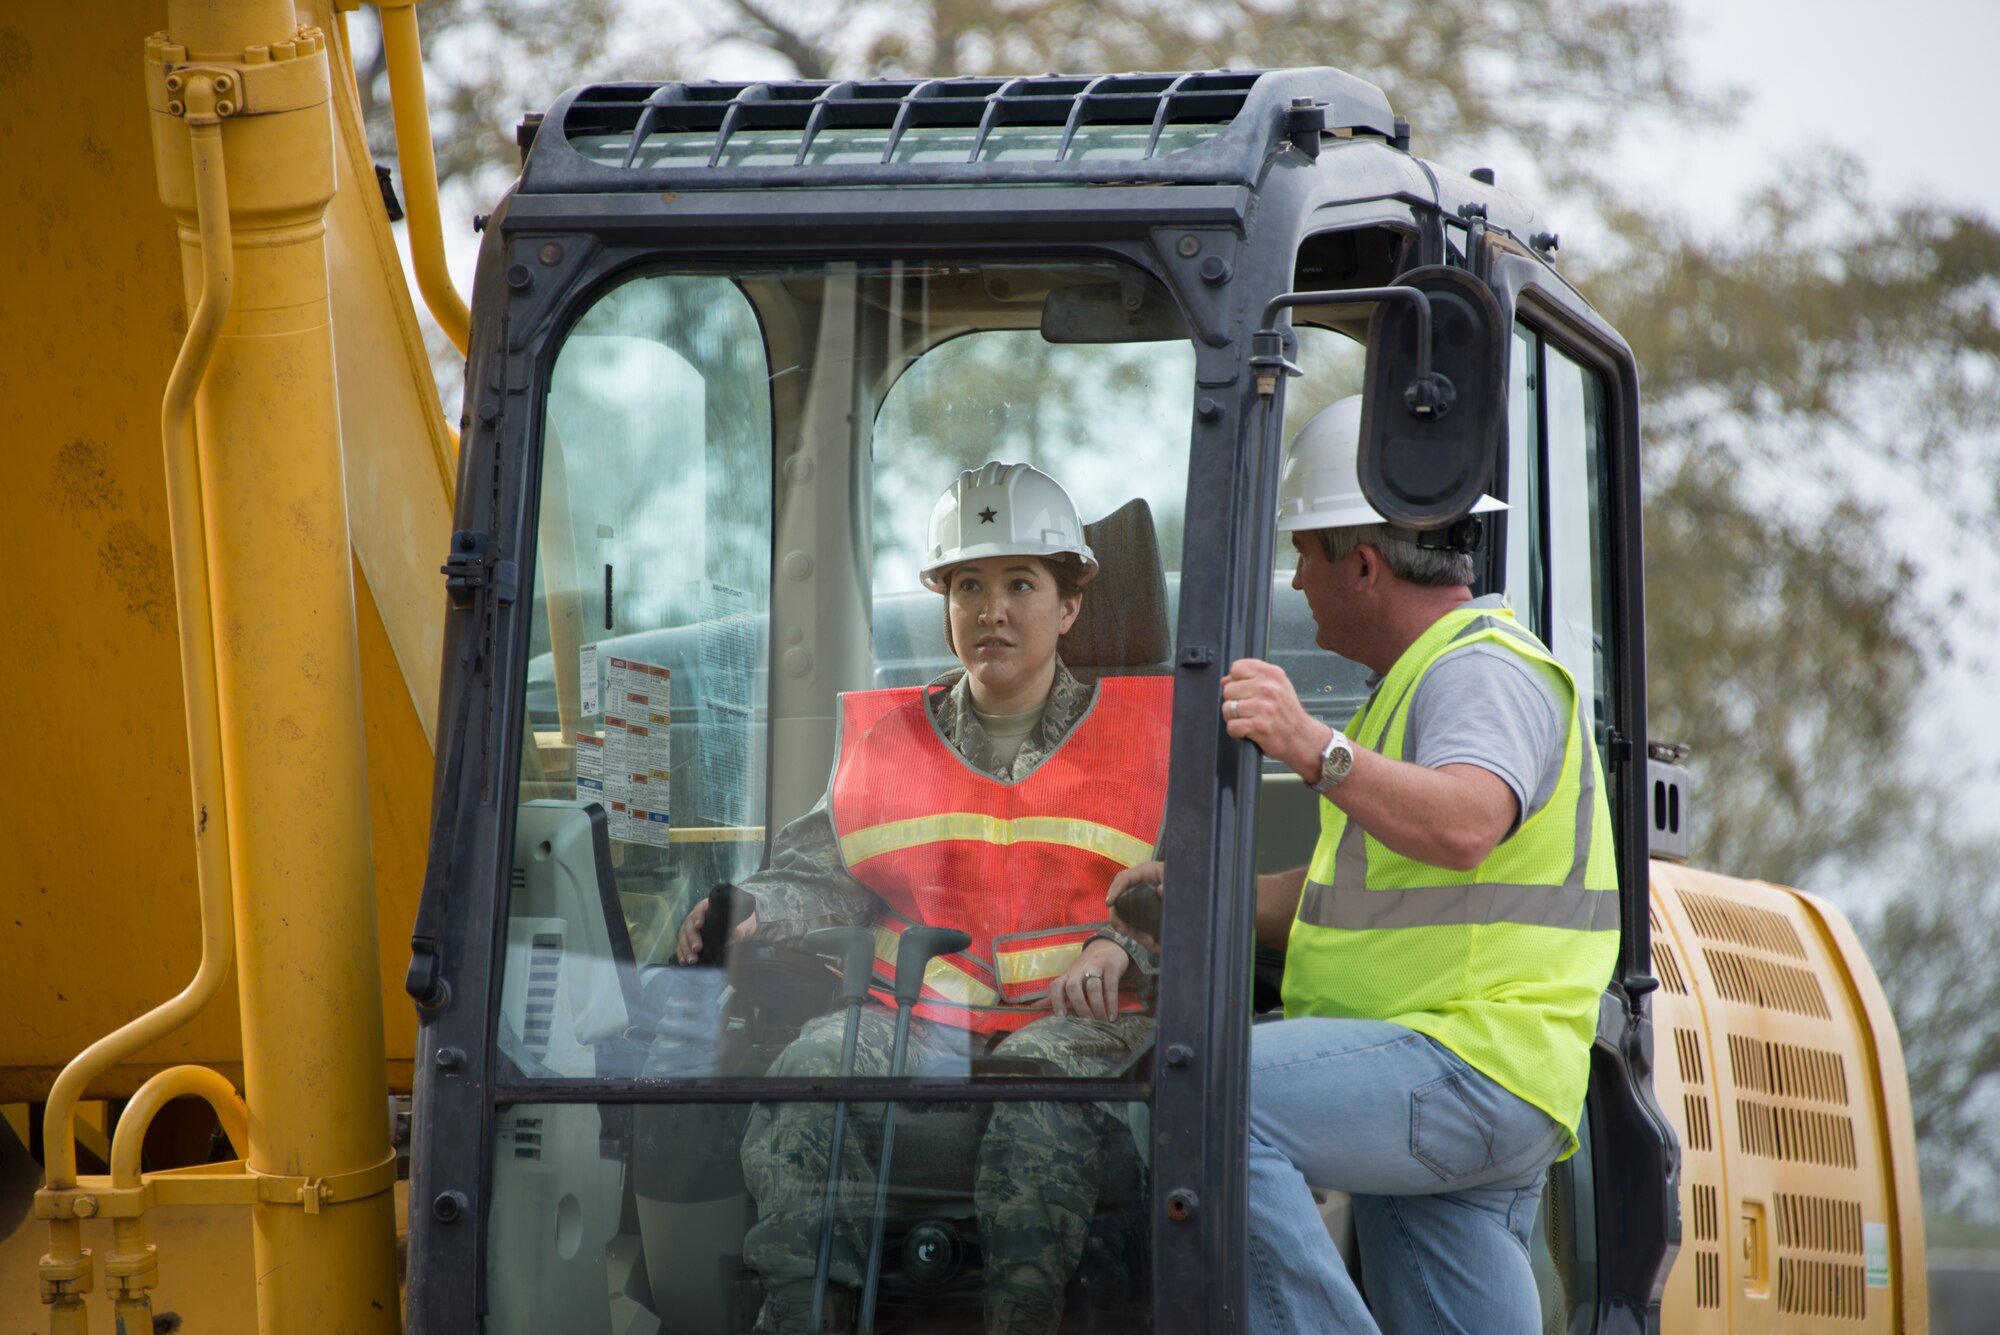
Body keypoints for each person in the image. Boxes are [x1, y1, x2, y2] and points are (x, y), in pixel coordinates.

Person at [1111, 396, 1618, 1333]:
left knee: (1207, 1097)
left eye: (1305, 551)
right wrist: (1202, 901)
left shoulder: (1479, 669)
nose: (1296, 579)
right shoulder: (1422, 682)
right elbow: (1352, 895)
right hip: (1476, 1070)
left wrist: (1312, 746)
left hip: (1463, 1056)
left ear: (1365, 563)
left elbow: (1468, 822)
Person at [677, 461, 1169, 1335]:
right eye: (969, 585)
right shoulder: (889, 744)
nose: (993, 611)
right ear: (945, 605)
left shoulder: (1146, 737)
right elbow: (816, 870)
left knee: (1035, 1112)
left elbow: (1198, 896)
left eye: (1022, 583)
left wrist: (1122, 947)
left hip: (1078, 1030)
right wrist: (748, 908)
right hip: (919, 1021)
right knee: (803, 1075)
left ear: (1070, 606)